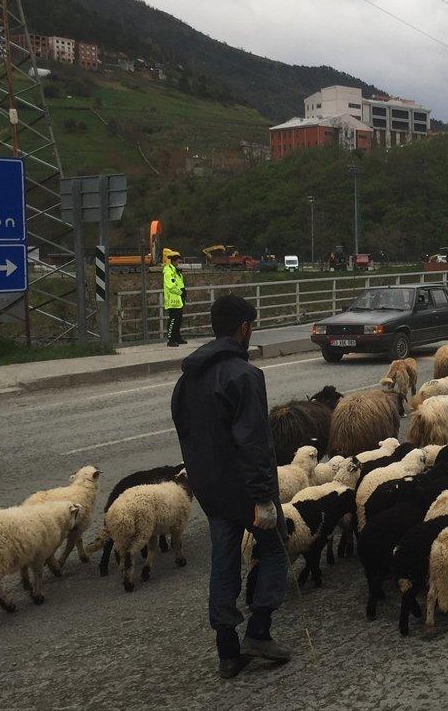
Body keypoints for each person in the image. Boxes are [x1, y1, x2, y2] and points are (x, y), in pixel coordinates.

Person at [171, 295, 290, 679]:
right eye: (250, 325)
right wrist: (263, 498)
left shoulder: (187, 378)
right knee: (274, 550)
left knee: (224, 562)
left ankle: (227, 653)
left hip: (211, 490)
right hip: (246, 491)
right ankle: (258, 631)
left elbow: (185, 432)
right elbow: (254, 441)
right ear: (243, 327)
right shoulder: (244, 375)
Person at [163, 252, 187, 346]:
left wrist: (183, 293)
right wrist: (181, 292)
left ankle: (177, 337)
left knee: (178, 320)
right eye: (177, 261)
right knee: (173, 320)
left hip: (178, 300)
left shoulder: (176, 271)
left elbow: (179, 283)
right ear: (173, 261)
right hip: (172, 300)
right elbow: (171, 286)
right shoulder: (168, 272)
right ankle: (170, 339)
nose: (178, 262)